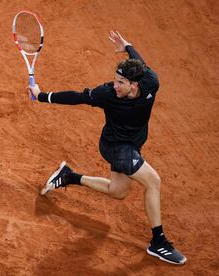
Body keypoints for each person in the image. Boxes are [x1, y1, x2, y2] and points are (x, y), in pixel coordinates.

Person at [29, 31, 187, 265]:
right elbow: (76, 97)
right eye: (115, 79)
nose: (115, 85)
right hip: (114, 146)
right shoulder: (106, 93)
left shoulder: (151, 81)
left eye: (121, 82)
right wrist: (42, 96)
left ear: (135, 85)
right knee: (153, 181)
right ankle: (158, 242)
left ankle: (69, 177)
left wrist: (128, 46)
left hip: (133, 145)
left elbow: (141, 64)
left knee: (118, 191)